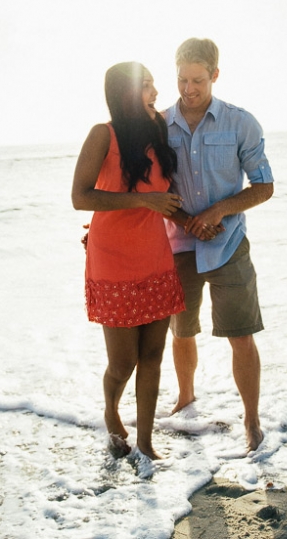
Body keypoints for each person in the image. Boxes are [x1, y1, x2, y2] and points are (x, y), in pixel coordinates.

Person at [163, 38, 274, 451]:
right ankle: (185, 399)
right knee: (181, 330)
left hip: (229, 244)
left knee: (241, 334)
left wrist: (218, 212)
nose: (188, 89)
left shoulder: (240, 123)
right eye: (181, 79)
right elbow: (152, 189)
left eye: (197, 80)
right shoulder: (160, 125)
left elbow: (264, 187)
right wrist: (186, 221)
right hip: (178, 244)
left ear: (214, 75)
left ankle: (251, 419)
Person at [71, 62, 185, 460]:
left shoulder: (157, 134)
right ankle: (110, 409)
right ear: (125, 93)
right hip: (113, 259)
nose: (156, 91)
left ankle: (146, 442)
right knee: (123, 363)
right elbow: (80, 197)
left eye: (154, 84)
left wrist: (198, 223)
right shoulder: (102, 134)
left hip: (155, 255)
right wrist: (143, 200)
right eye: (147, 86)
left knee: (153, 356)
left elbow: (165, 201)